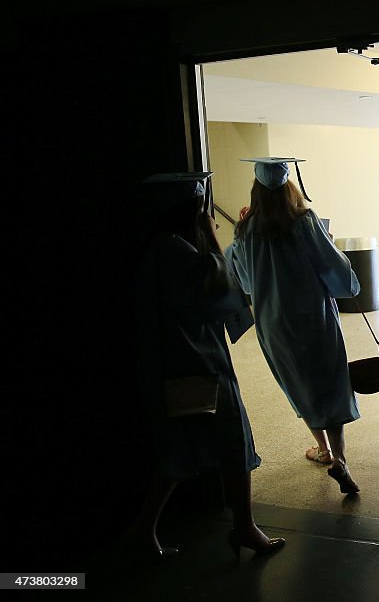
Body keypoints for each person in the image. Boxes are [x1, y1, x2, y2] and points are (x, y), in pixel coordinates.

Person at [125, 171, 285, 560]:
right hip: (196, 363)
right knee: (233, 439)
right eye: (200, 207)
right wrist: (213, 238)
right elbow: (221, 291)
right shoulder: (174, 251)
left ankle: (143, 531)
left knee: (178, 449)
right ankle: (243, 527)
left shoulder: (161, 248)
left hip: (178, 361)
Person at [224, 157, 362, 494]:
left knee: (299, 383)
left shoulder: (245, 231)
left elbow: (244, 282)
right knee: (328, 382)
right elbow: (331, 267)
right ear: (290, 187)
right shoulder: (304, 222)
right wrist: (327, 243)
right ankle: (339, 458)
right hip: (312, 316)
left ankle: (324, 451)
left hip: (273, 323)